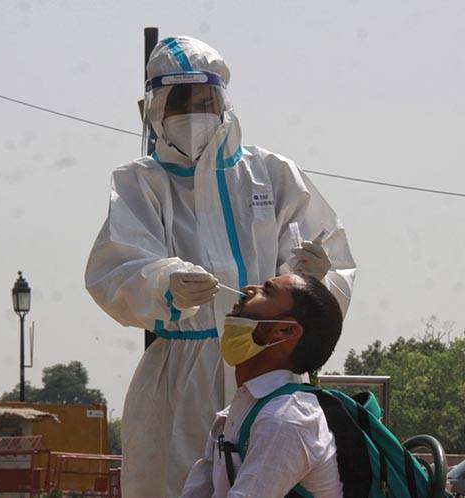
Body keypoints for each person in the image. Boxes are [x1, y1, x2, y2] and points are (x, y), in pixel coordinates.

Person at [85, 35, 356, 498]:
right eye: (182, 101)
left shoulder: (273, 173)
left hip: (271, 363)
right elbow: (115, 269)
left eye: (206, 99)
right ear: (155, 109)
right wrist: (164, 283)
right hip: (179, 377)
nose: (196, 111)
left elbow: (327, 277)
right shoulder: (140, 182)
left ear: (224, 101)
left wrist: (319, 275)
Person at [180, 274, 344, 498]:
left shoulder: (287, 419)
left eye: (267, 291)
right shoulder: (230, 417)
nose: (248, 289)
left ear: (286, 331)